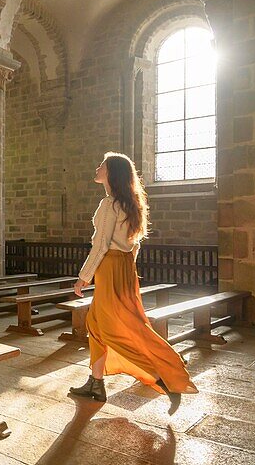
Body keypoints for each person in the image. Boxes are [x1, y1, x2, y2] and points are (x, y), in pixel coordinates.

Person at [68, 152, 197, 402]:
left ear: (111, 173)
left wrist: (84, 276)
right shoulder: (130, 204)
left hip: (109, 266)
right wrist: (126, 270)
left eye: (102, 165)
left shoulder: (110, 204)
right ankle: (96, 382)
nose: (97, 168)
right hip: (125, 267)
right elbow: (135, 244)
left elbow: (101, 245)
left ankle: (160, 371)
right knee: (100, 324)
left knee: (112, 328)